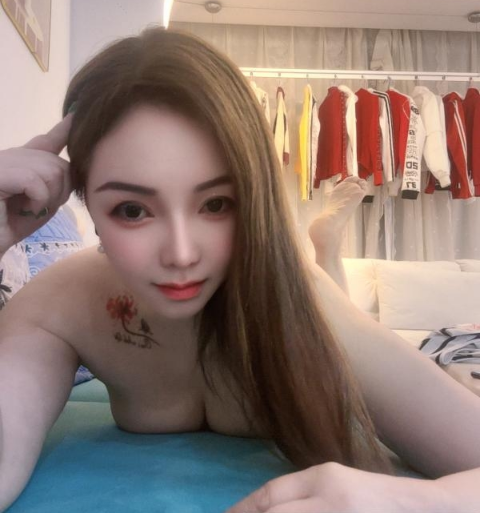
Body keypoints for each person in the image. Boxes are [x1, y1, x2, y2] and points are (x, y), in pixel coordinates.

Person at [0, 28, 479, 513]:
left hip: (298, 288)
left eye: (216, 204)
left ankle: (323, 249)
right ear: (85, 201)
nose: (181, 254)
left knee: (324, 290)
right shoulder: (60, 306)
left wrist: (426, 501)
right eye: (132, 210)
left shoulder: (306, 306)